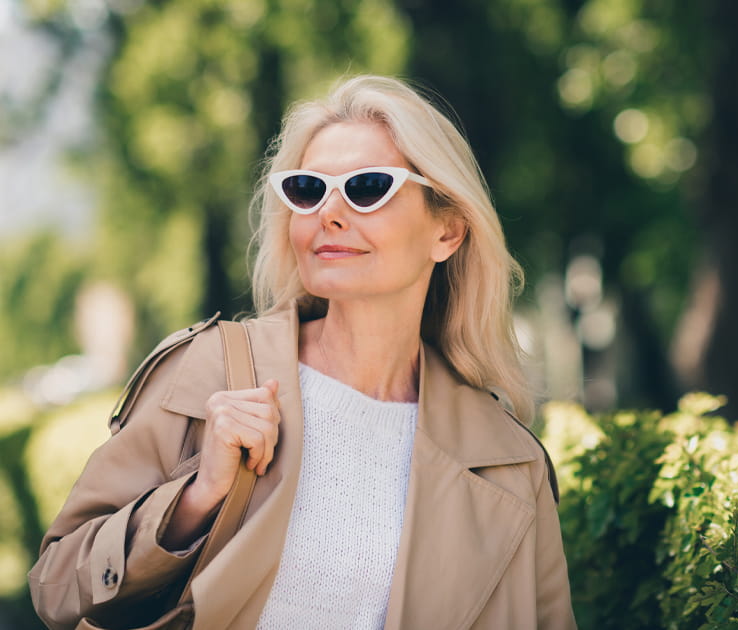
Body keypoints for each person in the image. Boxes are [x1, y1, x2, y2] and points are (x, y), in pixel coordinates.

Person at [29, 75, 576, 630]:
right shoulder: (214, 371)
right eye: (308, 190)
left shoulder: (508, 463)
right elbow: (56, 584)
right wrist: (196, 499)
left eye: (367, 187)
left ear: (448, 231)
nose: (328, 214)